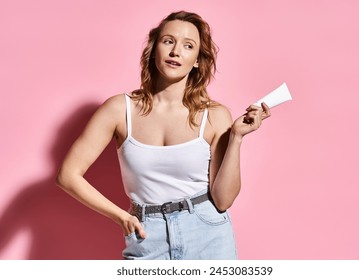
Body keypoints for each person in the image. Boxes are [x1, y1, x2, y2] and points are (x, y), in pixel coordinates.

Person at [56, 10, 271, 260]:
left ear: (198, 60)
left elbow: (223, 201)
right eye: (168, 41)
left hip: (208, 234)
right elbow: (67, 175)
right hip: (147, 234)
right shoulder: (118, 109)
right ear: (154, 49)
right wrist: (122, 216)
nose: (175, 51)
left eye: (188, 45)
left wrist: (236, 138)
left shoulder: (214, 115)